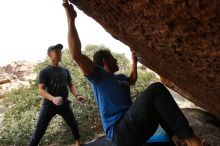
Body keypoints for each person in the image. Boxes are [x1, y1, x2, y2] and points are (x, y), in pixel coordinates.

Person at [62, 0, 204, 146]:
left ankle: (176, 139)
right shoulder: (98, 77)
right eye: (113, 59)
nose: (116, 60)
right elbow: (76, 54)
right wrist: (71, 19)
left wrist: (134, 62)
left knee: (157, 104)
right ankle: (191, 140)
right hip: (120, 132)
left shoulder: (120, 78)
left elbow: (133, 79)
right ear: (105, 62)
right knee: (156, 89)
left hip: (133, 127)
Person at [29, 44, 85, 146]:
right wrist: (53, 98)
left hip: (64, 104)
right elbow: (41, 90)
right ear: (49, 54)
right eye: (56, 51)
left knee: (73, 124)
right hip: (49, 105)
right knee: (39, 131)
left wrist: (77, 95)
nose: (59, 53)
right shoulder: (44, 71)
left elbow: (71, 85)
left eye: (60, 51)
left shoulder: (65, 70)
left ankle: (78, 144)